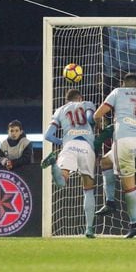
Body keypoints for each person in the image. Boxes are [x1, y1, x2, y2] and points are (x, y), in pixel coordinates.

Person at [93, 73, 136, 238]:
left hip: (123, 141)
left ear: (124, 83)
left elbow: (97, 114)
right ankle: (110, 202)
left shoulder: (117, 92)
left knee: (128, 186)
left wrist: (98, 123)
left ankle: (135, 223)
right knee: (105, 162)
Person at [40, 89, 97, 238]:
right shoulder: (87, 104)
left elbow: (48, 136)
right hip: (86, 146)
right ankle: (89, 229)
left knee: (61, 182)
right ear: (80, 97)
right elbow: (91, 118)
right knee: (88, 188)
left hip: (69, 146)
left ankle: (53, 164)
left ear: (67, 100)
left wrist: (62, 142)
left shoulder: (60, 110)